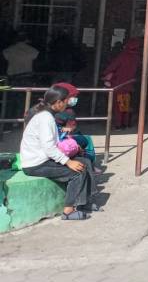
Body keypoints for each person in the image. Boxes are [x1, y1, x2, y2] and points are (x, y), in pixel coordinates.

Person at [20, 85, 97, 220]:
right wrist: (68, 162)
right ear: (58, 102)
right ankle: (68, 211)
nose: (67, 104)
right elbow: (49, 148)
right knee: (78, 171)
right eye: (66, 101)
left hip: (43, 159)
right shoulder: (45, 118)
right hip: (36, 164)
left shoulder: (47, 115)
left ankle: (84, 202)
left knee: (84, 161)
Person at [102, 38, 141, 130]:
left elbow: (113, 66)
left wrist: (105, 74)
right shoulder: (137, 58)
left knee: (118, 106)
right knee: (126, 105)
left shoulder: (123, 56)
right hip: (129, 85)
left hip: (118, 84)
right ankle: (126, 123)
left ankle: (119, 124)